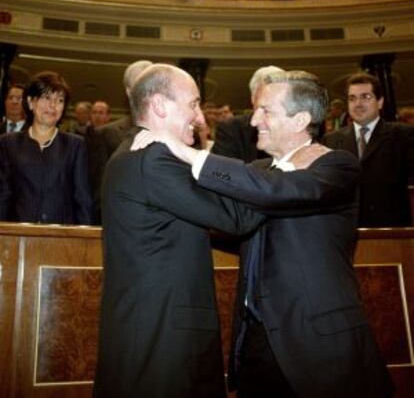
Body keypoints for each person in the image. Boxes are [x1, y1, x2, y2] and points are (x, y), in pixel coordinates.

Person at [133, 69, 394, 398]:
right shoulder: (255, 172)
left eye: (265, 111)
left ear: (299, 120)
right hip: (255, 346)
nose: (254, 120)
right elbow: (219, 211)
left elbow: (279, 191)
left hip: (319, 346)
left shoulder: (338, 166)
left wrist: (181, 149)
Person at [93, 64, 265, 398]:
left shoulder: (132, 153)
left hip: (150, 332)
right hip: (164, 343)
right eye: (193, 104)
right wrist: (283, 165)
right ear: (159, 105)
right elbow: (238, 216)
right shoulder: (153, 160)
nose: (200, 117)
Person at [323, 72, 414, 227]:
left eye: (365, 97)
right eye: (352, 98)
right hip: (344, 230)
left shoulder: (403, 135)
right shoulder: (331, 140)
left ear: (380, 102)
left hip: (391, 231)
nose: (358, 103)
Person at [0, 71, 92, 224]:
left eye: (60, 100)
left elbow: (83, 200)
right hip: (18, 236)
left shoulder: (75, 146)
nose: (53, 105)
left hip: (62, 239)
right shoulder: (8, 143)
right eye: (46, 97)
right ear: (30, 102)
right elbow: (3, 196)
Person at [87, 60, 153, 221]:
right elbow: (99, 191)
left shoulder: (174, 134)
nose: (148, 92)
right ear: (129, 92)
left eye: (152, 85)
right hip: (122, 225)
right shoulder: (105, 134)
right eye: (141, 85)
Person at [212, 65, 282, 162]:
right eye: (267, 96)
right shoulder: (231, 129)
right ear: (253, 97)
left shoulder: (299, 127)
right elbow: (220, 173)